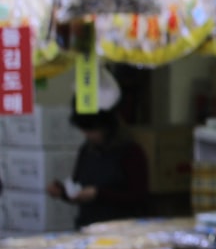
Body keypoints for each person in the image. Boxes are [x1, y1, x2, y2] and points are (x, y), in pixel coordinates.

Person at [46, 72, 150, 228]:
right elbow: (78, 188)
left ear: (107, 127)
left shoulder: (130, 152)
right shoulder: (86, 150)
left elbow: (139, 196)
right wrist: (62, 192)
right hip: (88, 226)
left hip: (121, 228)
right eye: (84, 130)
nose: (87, 135)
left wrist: (99, 194)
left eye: (92, 130)